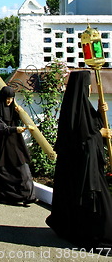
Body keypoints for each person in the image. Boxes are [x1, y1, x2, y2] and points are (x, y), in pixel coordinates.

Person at [46, 70, 112, 252]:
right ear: (83, 88)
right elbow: (81, 144)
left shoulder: (82, 107)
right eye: (88, 85)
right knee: (102, 206)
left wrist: (99, 113)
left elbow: (89, 129)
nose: (90, 88)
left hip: (82, 169)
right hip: (82, 171)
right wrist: (101, 134)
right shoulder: (74, 112)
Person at [0, 85, 36, 206]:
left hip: (15, 143)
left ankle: (28, 196)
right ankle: (2, 196)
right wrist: (14, 129)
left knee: (22, 168)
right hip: (1, 145)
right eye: (7, 98)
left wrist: (21, 113)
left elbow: (22, 119)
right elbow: (0, 127)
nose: (9, 101)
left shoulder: (15, 109)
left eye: (11, 98)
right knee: (0, 171)